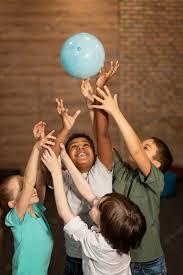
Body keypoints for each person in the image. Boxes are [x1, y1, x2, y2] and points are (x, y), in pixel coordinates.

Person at [91, 86, 173, 275]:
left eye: (146, 147)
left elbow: (135, 150)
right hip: (121, 260)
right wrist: (97, 100)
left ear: (156, 164)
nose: (137, 146)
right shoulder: (123, 172)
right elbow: (101, 137)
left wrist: (116, 110)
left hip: (149, 264)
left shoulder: (156, 181)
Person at [48, 62, 119, 275]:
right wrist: (65, 128)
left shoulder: (102, 168)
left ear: (95, 154)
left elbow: (102, 134)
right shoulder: (65, 175)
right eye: (74, 147)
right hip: (76, 257)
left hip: (104, 255)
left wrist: (98, 91)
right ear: (66, 155)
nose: (80, 148)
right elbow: (52, 153)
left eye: (85, 145)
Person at [41, 144, 146, 275]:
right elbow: (89, 193)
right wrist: (65, 157)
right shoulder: (121, 235)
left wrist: (56, 172)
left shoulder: (97, 245)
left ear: (104, 224)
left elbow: (64, 212)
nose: (94, 201)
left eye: (97, 206)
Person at [0, 122, 55, 275]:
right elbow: (30, 182)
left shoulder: (37, 209)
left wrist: (41, 143)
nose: (28, 189)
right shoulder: (16, 217)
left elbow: (36, 176)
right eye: (22, 189)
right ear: (12, 203)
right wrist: (36, 147)